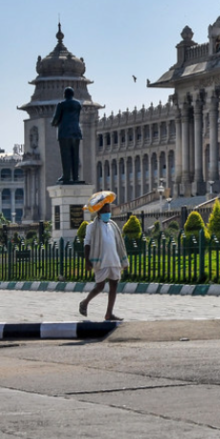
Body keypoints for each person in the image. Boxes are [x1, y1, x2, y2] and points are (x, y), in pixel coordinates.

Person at [79, 192, 128, 321]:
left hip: (114, 259)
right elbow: (87, 243)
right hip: (101, 260)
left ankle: (109, 313)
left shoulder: (113, 225)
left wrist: (124, 261)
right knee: (100, 286)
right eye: (106, 210)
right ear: (99, 212)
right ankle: (85, 302)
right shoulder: (92, 227)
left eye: (109, 209)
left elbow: (119, 244)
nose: (108, 212)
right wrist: (87, 260)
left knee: (114, 285)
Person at [51, 86, 84, 184]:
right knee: (75, 155)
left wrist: (53, 123)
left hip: (65, 133)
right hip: (76, 132)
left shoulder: (61, 104)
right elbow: (77, 117)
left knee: (66, 155)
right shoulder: (78, 104)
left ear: (64, 95)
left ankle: (66, 176)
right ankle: (75, 177)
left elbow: (56, 119)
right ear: (73, 95)